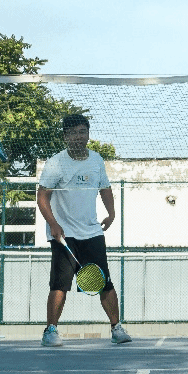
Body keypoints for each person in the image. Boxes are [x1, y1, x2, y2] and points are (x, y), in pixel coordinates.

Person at [35, 114, 132, 346]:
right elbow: (42, 196)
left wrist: (111, 213)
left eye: (82, 132)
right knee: (60, 284)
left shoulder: (96, 160)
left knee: (104, 283)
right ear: (65, 137)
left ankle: (116, 328)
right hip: (64, 235)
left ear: (88, 134)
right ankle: (50, 331)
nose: (78, 137)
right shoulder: (56, 163)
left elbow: (105, 188)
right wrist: (53, 224)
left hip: (92, 233)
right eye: (73, 133)